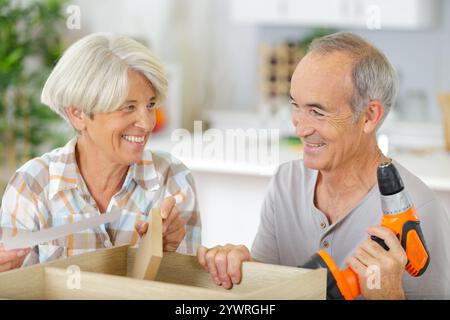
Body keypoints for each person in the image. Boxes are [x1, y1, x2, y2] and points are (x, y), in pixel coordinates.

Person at [197, 32, 450, 299]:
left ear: (369, 116)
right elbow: (270, 291)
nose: (301, 128)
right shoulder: (287, 182)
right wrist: (239, 267)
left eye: (317, 112)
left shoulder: (421, 211)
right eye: (295, 105)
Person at [0, 33, 201, 272]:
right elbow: (18, 290)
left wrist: (171, 253)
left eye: (150, 105)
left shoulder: (171, 178)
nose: (147, 123)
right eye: (128, 107)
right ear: (78, 114)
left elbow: (184, 295)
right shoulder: (32, 185)